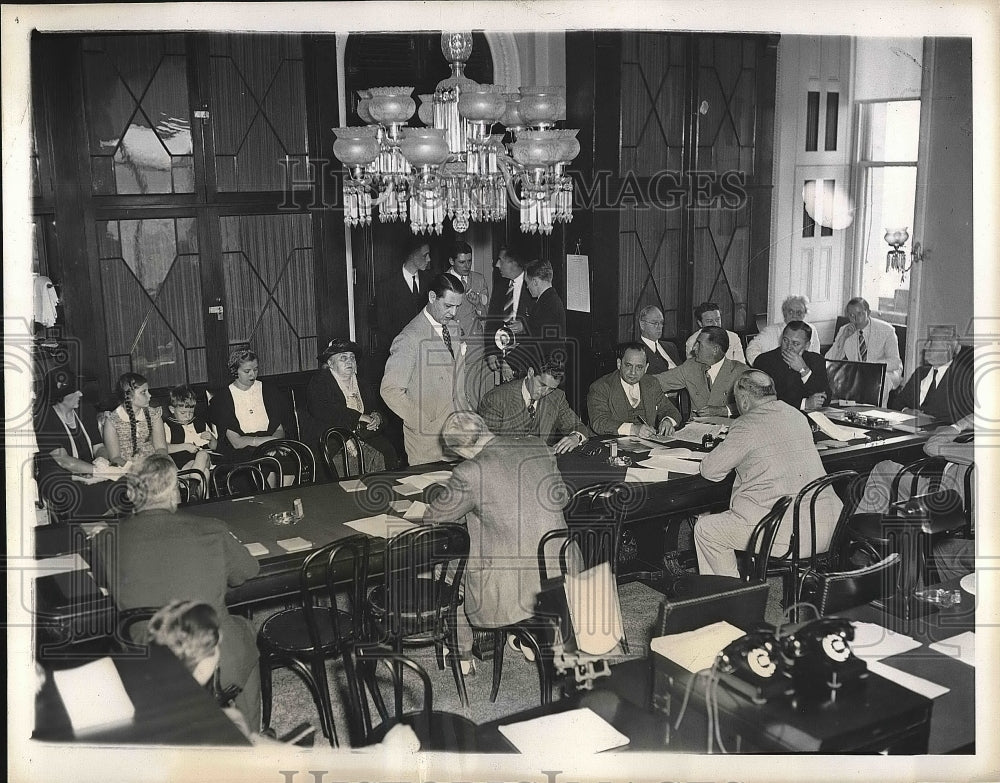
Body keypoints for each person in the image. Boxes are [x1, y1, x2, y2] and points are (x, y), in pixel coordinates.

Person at [92, 454, 261, 729]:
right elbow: (248, 571)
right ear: (174, 493)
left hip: (146, 667)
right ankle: (250, 733)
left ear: (131, 494)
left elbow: (103, 582)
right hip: (213, 660)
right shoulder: (212, 530)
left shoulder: (105, 540)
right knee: (244, 630)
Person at [422, 411, 581, 668]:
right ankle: (527, 635)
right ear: (484, 427)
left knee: (446, 566)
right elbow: (561, 498)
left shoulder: (469, 471)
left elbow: (433, 519)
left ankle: (461, 654)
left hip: (517, 580)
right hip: (563, 563)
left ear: (461, 450)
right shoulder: (536, 445)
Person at [694, 371, 843, 577]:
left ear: (744, 400)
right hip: (832, 528)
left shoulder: (746, 425)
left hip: (793, 537)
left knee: (706, 529)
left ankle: (731, 593)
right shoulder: (796, 415)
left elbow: (710, 470)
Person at [381, 273, 470, 466]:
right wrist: (422, 421)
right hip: (428, 442)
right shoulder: (409, 338)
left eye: (457, 306)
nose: (454, 313)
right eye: (448, 306)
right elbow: (390, 390)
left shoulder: (453, 329)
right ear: (431, 297)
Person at [33, 368, 129, 520]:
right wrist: (99, 472)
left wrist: (102, 460)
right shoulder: (45, 421)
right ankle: (94, 530)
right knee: (91, 493)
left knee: (126, 483)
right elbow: (64, 461)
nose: (81, 394)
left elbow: (99, 446)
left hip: (90, 469)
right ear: (60, 396)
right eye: (75, 391)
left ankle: (116, 526)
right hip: (59, 477)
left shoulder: (86, 411)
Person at [303, 337, 398, 475]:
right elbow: (323, 410)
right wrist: (359, 417)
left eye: (352, 357)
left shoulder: (363, 384)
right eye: (343, 358)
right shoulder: (319, 382)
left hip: (365, 436)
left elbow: (378, 409)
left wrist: (377, 417)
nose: (349, 361)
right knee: (348, 465)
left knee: (387, 452)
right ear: (330, 363)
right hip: (330, 439)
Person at [478, 355, 592, 454]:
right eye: (542, 385)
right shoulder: (496, 398)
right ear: (530, 373)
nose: (544, 392)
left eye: (551, 389)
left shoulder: (557, 397)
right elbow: (485, 443)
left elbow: (577, 426)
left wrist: (575, 437)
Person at [209, 348, 292, 463]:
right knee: (264, 462)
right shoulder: (223, 399)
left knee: (287, 461)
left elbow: (279, 430)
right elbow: (236, 442)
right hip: (242, 451)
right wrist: (264, 445)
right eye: (247, 371)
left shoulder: (269, 391)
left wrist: (274, 444)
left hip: (272, 445)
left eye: (255, 369)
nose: (252, 374)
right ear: (235, 371)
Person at [653, 326, 750, 419]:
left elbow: (754, 404)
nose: (694, 348)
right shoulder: (691, 367)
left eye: (699, 344)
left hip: (730, 427)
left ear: (715, 349)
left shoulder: (740, 371)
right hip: (696, 427)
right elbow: (656, 382)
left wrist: (724, 410)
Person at [587, 342, 681, 437]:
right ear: (619, 364)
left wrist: (668, 420)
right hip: (607, 441)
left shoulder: (652, 383)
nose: (633, 372)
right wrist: (633, 429)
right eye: (628, 365)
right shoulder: (600, 387)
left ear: (646, 368)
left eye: (639, 367)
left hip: (645, 442)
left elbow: (671, 410)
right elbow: (599, 422)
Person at [825, 296, 903, 403]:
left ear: (868, 312)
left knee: (880, 381)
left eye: (859, 314)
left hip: (886, 371)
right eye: (851, 315)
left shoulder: (887, 330)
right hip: (857, 371)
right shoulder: (844, 330)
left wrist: (869, 366)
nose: (855, 319)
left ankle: (878, 411)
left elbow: (895, 362)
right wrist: (843, 339)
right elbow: (828, 360)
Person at [889, 326, 973, 424]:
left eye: (931, 342)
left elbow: (966, 417)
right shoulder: (920, 373)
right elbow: (897, 403)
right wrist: (907, 411)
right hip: (908, 429)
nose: (925, 347)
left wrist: (931, 420)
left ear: (947, 348)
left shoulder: (963, 379)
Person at [751, 321, 830, 410]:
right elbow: (763, 400)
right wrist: (805, 404)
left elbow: (825, 398)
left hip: (811, 416)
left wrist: (804, 370)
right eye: (785, 340)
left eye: (795, 344)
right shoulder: (764, 361)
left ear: (807, 345)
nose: (788, 347)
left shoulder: (816, 360)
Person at [485, 244, 531, 381]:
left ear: (513, 263)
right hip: (502, 356)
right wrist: (491, 352)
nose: (497, 265)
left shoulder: (532, 284)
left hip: (526, 358)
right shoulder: (501, 285)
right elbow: (492, 321)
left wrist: (525, 325)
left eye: (501, 260)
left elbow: (543, 321)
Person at [102, 372, 168, 467]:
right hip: (126, 469)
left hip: (154, 466)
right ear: (129, 396)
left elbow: (161, 448)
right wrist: (134, 469)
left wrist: (155, 466)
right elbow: (115, 457)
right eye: (143, 392)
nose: (149, 395)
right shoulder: (112, 421)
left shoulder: (154, 415)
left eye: (148, 391)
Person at [375, 238, 432, 346]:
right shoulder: (386, 286)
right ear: (412, 255)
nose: (429, 259)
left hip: (427, 346)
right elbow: (384, 325)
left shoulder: (431, 280)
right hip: (400, 347)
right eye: (425, 255)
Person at [745, 295, 821, 365]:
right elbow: (751, 349)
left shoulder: (811, 329)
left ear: (805, 314)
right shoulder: (771, 331)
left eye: (799, 312)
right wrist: (763, 367)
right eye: (791, 312)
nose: (794, 316)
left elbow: (815, 356)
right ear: (784, 313)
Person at [162, 384, 215, 483]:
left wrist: (212, 439)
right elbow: (163, 448)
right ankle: (195, 486)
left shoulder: (200, 423)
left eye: (191, 412)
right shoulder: (168, 426)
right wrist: (185, 446)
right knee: (205, 473)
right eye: (183, 413)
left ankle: (193, 482)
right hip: (182, 465)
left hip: (204, 460)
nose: (188, 416)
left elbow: (214, 447)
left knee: (203, 454)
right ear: (172, 409)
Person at [523, 258, 567, 367]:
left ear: (535, 282)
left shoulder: (548, 304)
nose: (527, 287)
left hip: (548, 368)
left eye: (527, 283)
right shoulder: (548, 300)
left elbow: (537, 341)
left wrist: (510, 361)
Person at [444, 240, 490, 342]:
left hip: (475, 342)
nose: (467, 266)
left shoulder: (479, 280)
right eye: (462, 262)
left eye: (469, 261)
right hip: (452, 340)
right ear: (451, 261)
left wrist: (478, 304)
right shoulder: (442, 282)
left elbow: (486, 315)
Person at [637, 305, 681, 373]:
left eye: (661, 323)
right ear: (642, 325)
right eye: (655, 323)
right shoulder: (637, 351)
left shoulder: (671, 346)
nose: (660, 327)